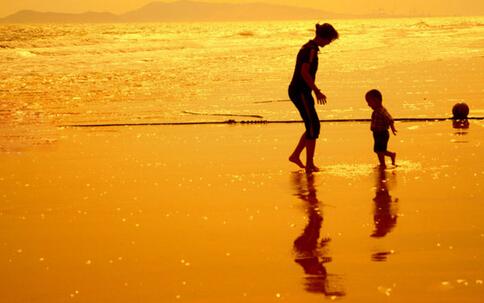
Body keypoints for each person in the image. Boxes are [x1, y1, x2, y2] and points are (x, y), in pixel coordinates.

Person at [288, 23, 339, 173]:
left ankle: (296, 156)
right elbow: (304, 73)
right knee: (313, 126)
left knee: (313, 126)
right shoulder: (310, 50)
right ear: (324, 37)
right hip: (300, 92)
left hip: (303, 91)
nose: (329, 43)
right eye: (330, 40)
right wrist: (317, 91)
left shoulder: (310, 48)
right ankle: (309, 163)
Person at [365, 89, 397, 168]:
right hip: (377, 133)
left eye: (369, 102)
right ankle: (391, 155)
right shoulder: (376, 111)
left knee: (380, 150)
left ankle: (383, 163)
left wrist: (393, 128)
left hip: (382, 133)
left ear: (376, 100)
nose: (368, 105)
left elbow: (389, 119)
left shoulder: (380, 111)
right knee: (378, 150)